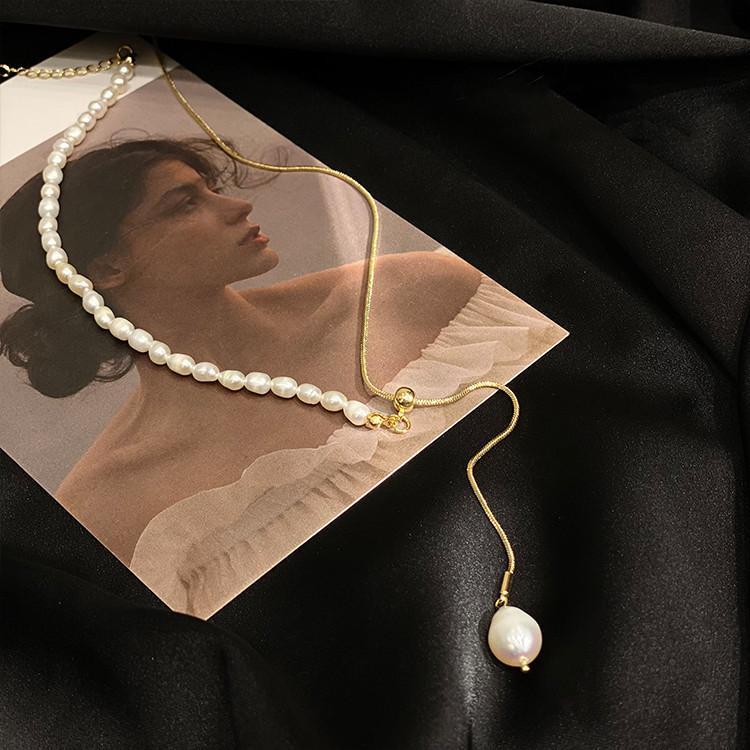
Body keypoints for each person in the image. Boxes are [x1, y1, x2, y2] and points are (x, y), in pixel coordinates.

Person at [0, 135, 484, 568]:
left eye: (211, 188)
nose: (237, 206)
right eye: (184, 204)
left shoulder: (408, 291)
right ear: (108, 269)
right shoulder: (107, 505)